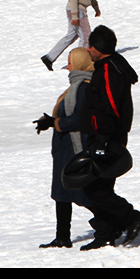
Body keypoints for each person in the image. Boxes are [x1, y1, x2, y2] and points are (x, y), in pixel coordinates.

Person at [79, 26, 140, 250]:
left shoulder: (108, 71)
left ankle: (131, 218)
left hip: (107, 138)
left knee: (95, 189)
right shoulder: (111, 67)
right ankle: (107, 233)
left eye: (90, 45)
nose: (88, 49)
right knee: (101, 187)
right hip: (108, 136)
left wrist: (102, 140)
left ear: (99, 48)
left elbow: (109, 107)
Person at [32, 47, 95, 249]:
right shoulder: (76, 86)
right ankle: (62, 237)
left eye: (70, 62)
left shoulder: (84, 87)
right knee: (62, 192)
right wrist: (49, 122)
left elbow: (77, 119)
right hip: (65, 147)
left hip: (74, 146)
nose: (67, 66)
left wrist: (54, 123)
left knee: (82, 191)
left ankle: (113, 223)